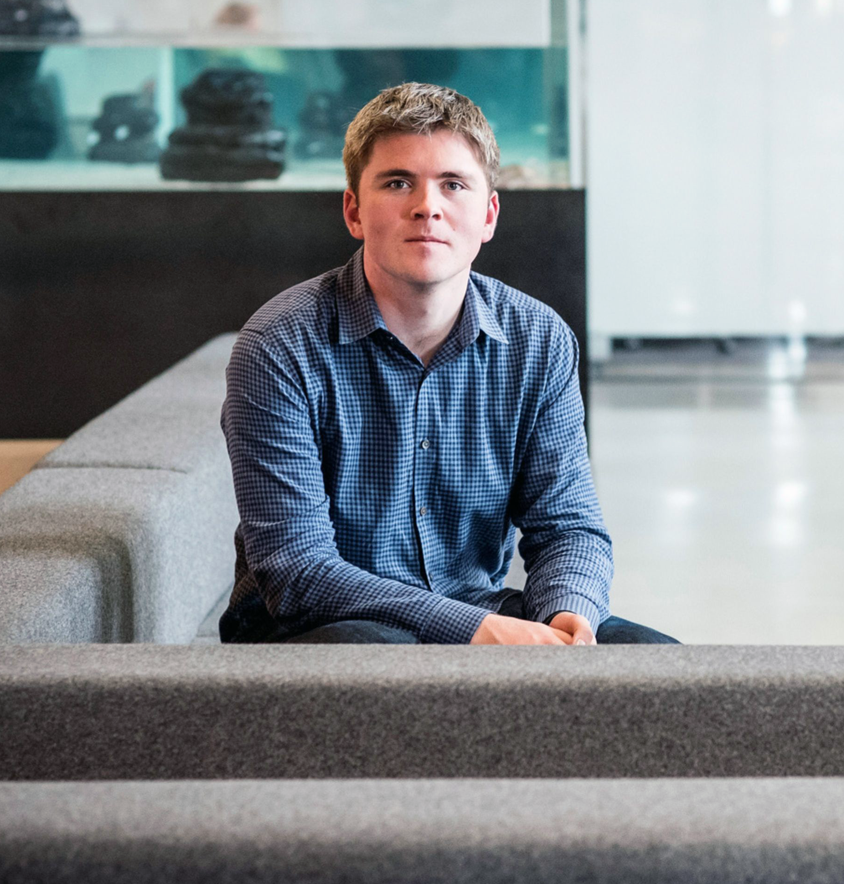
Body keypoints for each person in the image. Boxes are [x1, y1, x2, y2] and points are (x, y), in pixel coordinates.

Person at [220, 81, 675, 645]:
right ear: (354, 211)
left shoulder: (538, 339)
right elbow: (298, 572)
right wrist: (477, 631)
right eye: (397, 183)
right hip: (315, 624)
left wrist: (569, 616)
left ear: (488, 216)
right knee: (374, 656)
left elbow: (568, 527)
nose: (427, 207)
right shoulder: (279, 345)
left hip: (474, 603)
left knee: (651, 661)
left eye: (453, 185)